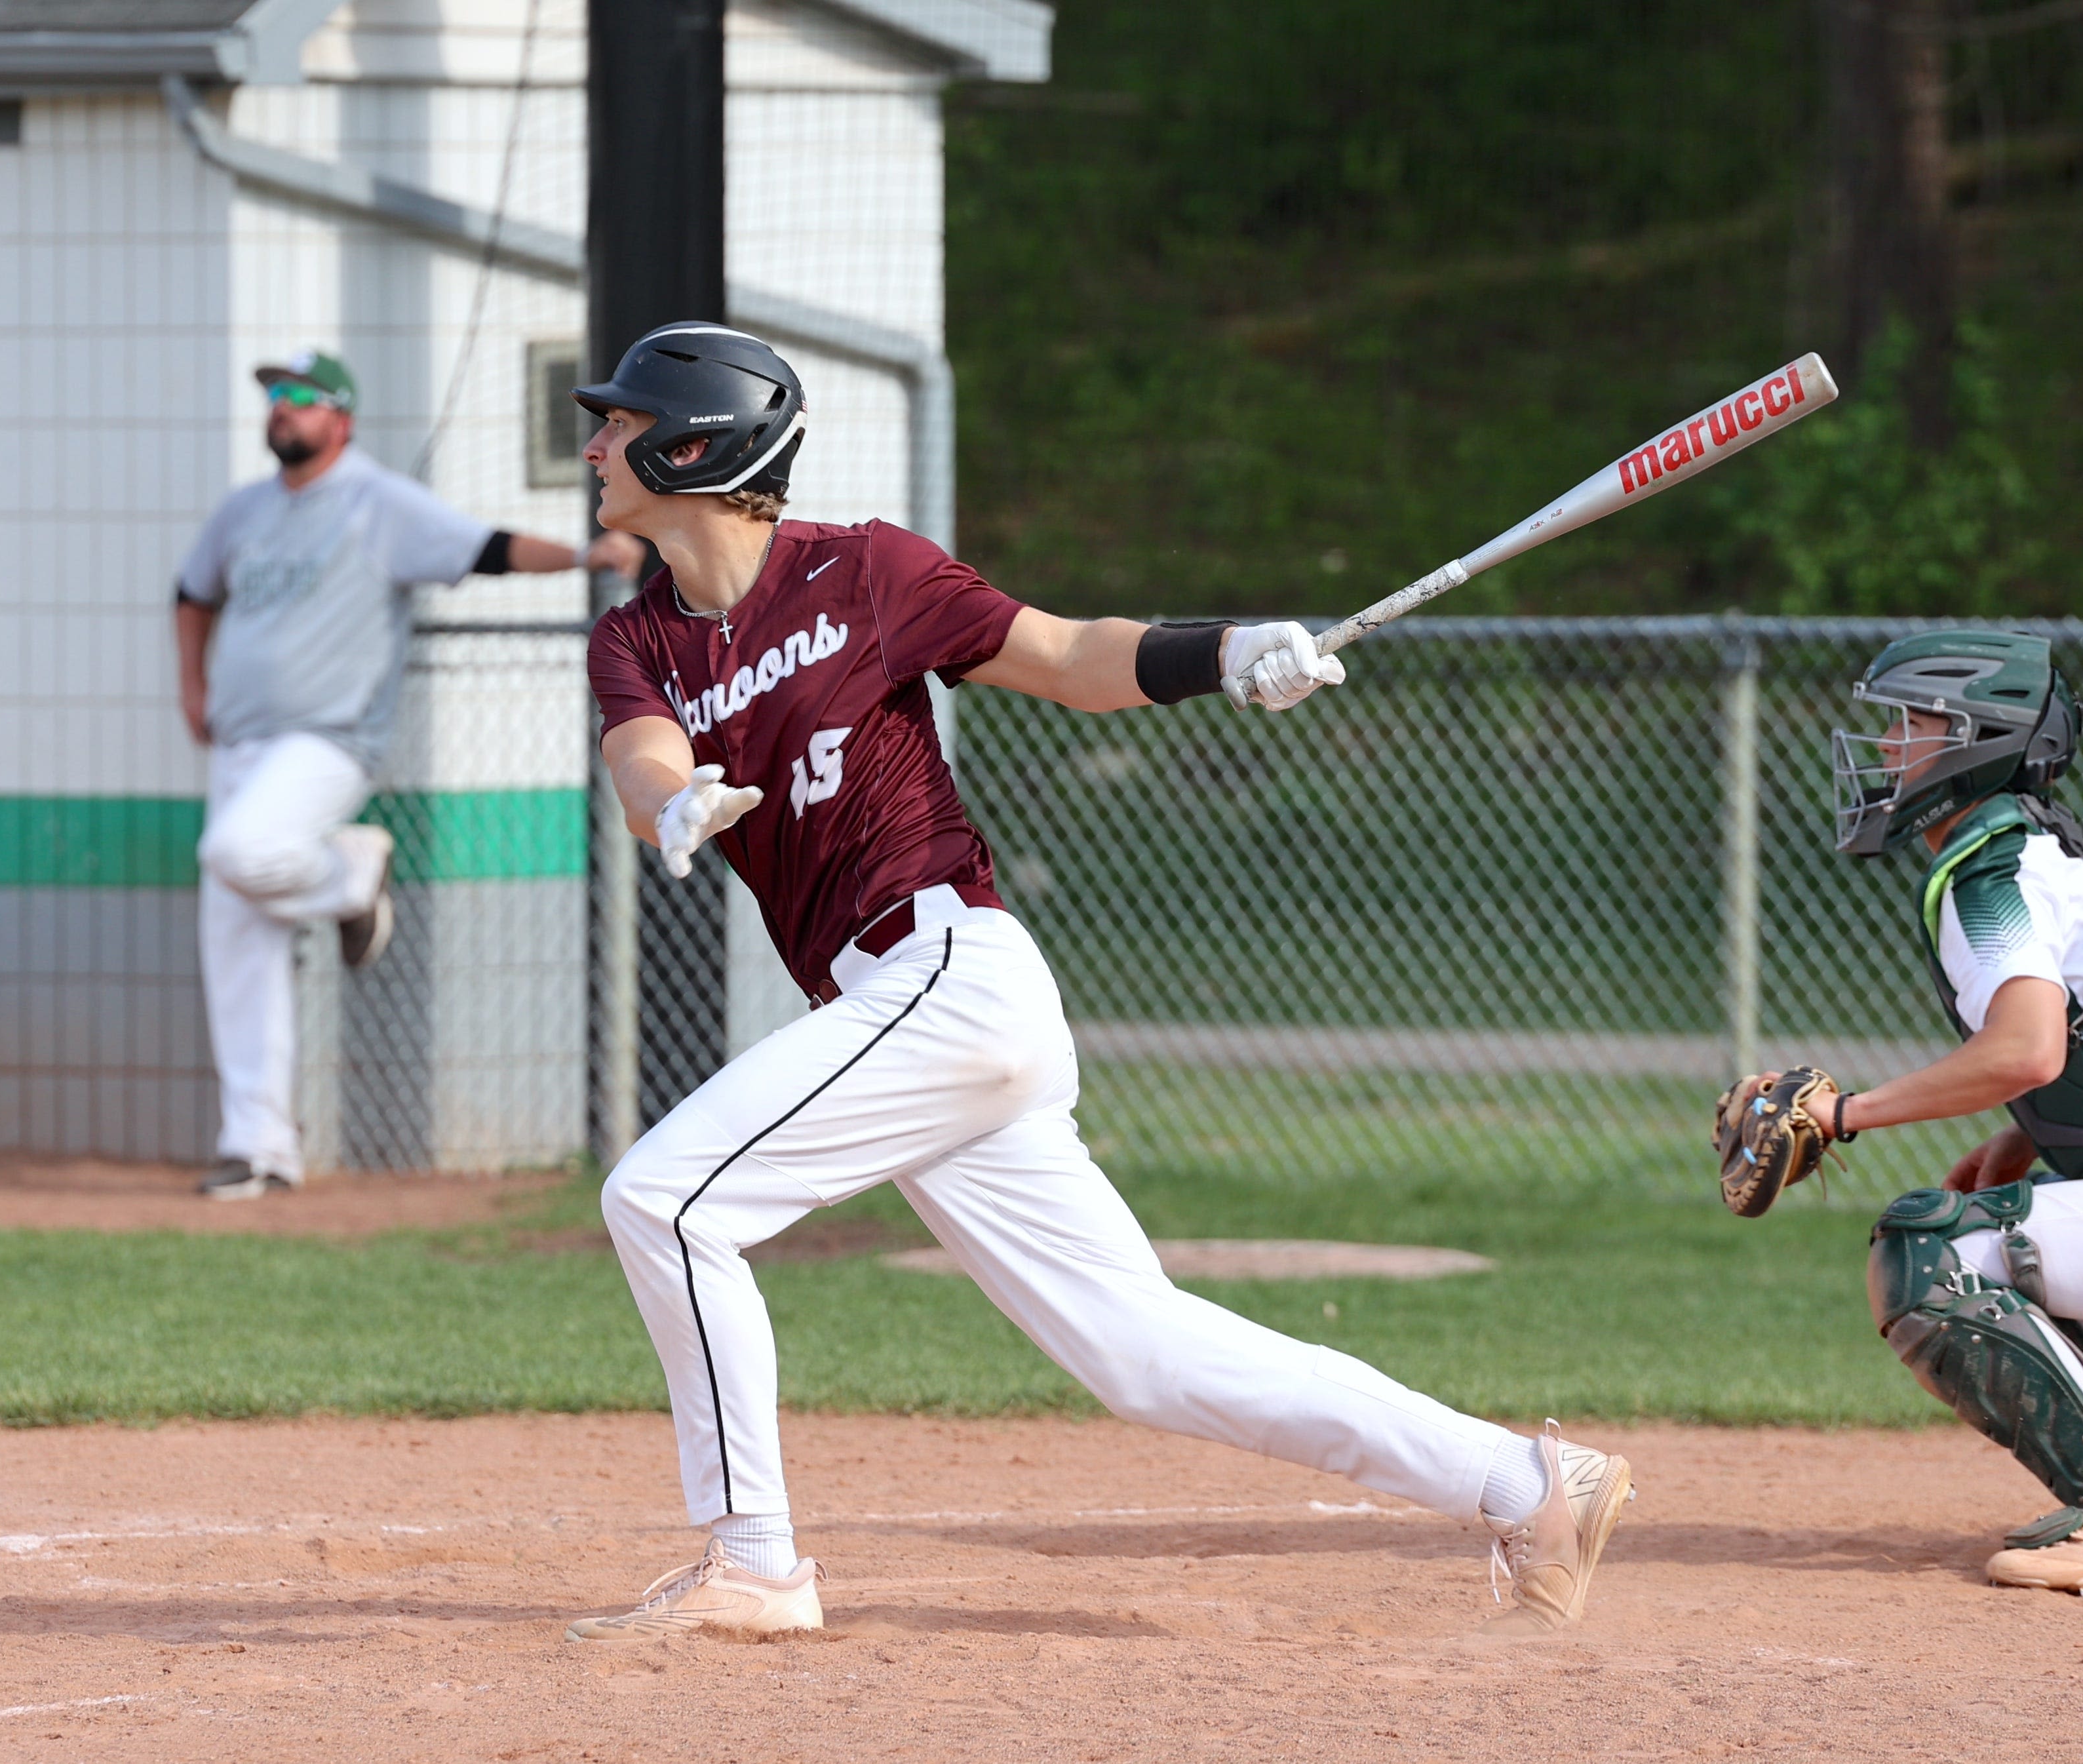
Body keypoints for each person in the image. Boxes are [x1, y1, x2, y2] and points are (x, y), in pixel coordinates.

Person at [563, 321, 1636, 1641]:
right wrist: (668, 807)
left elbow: (1069, 656)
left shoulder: (865, 572)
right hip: (902, 1019)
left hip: (946, 971)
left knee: (663, 1198)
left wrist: (1228, 648)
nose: (595, 442)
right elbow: (642, 758)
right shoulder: (639, 636)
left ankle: (756, 1560)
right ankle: (1522, 1482)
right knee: (1140, 1353)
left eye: (615, 423)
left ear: (693, 445)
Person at [175, 349, 642, 1201]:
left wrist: (584, 557)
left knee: (237, 851)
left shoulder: (373, 500)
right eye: (274, 396)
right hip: (238, 743)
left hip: (325, 739)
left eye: (300, 396)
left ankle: (353, 872)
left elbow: (483, 547)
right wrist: (192, 682)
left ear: (340, 417)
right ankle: (260, 1147)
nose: (282, 407)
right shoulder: (242, 510)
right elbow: (191, 591)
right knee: (236, 950)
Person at [1732, 630, 2083, 1593]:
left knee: (1933, 1250)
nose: (1881, 746)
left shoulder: (1992, 875)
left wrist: (1843, 1114)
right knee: (2013, 1223)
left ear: (1972, 738)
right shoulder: (2043, 851)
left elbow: (2026, 1047)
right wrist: (2027, 1129)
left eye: (1906, 723)